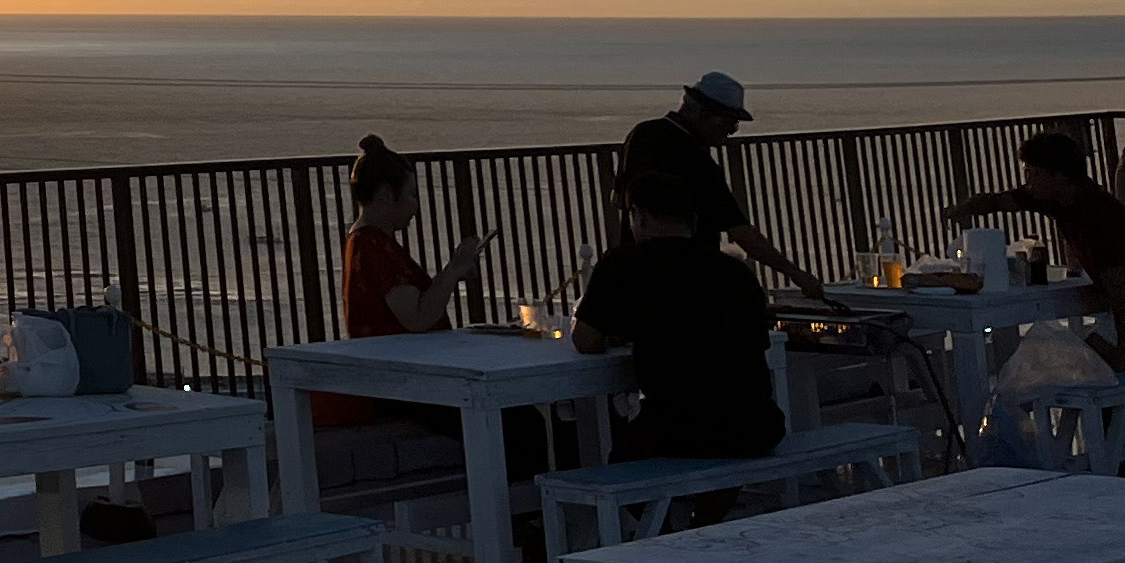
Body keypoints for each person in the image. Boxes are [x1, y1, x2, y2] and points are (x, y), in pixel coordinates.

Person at [318, 139, 549, 473]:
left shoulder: (370, 243)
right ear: (386, 196)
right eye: (410, 194)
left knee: (518, 416)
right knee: (519, 422)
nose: (415, 205)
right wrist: (453, 270)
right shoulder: (373, 247)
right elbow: (416, 317)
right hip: (405, 385)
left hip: (405, 378)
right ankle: (523, 514)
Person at [576, 169, 785, 496]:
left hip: (680, 428)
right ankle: (701, 523)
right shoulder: (734, 271)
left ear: (640, 217)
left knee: (621, 463)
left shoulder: (624, 264)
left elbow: (586, 341)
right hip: (757, 426)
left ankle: (657, 534)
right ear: (694, 219)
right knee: (714, 462)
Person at [945, 128, 1125, 364]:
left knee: (1077, 357)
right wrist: (963, 209)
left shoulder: (1099, 217)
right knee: (1076, 351)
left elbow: (1119, 290)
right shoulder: (1059, 200)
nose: (1028, 181)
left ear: (1059, 176)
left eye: (1033, 173)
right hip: (1118, 307)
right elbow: (1001, 201)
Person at [622, 73, 822, 289]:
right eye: (731, 122)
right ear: (706, 115)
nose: (731, 131)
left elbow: (617, 198)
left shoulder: (641, 134)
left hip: (635, 269)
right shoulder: (697, 160)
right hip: (687, 277)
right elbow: (739, 230)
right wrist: (796, 274)